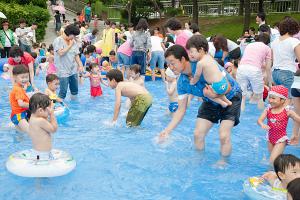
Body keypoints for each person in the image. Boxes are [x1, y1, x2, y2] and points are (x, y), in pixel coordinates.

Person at [159, 43, 242, 164]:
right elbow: (181, 110)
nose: (170, 67)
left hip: (231, 96)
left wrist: (214, 95)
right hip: (209, 101)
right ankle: (199, 160)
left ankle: (224, 162)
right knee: (198, 134)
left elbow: (228, 87)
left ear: (182, 59)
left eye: (172, 63)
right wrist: (167, 131)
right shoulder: (182, 82)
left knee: (223, 135)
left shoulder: (203, 65)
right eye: (168, 64)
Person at [257, 85, 300, 164]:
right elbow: (259, 120)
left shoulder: (287, 111)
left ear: (282, 100)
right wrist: (261, 124)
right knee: (273, 159)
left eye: (273, 98)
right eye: (269, 97)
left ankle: (271, 173)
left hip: (281, 139)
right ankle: (279, 170)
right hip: (270, 138)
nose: (270, 100)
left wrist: (296, 134)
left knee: (272, 160)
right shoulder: (268, 109)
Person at [189, 35, 232, 108]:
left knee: (205, 92)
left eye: (192, 52)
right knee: (217, 90)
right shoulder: (209, 56)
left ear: (201, 50)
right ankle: (227, 101)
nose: (190, 54)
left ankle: (222, 103)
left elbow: (197, 76)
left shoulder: (200, 63)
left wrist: (193, 82)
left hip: (217, 86)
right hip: (224, 83)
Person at [236, 33, 272, 111]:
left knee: (242, 95)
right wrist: (269, 84)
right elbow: (268, 68)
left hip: (241, 68)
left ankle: (241, 113)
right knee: (260, 96)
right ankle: (260, 114)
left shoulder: (250, 45)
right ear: (267, 41)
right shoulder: (267, 48)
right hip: (254, 70)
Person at [271, 17, 300, 99]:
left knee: (280, 99)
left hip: (275, 73)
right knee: (288, 101)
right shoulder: (294, 41)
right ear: (294, 28)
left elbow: (273, 59)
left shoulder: (274, 41)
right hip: (287, 72)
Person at [53, 24, 83, 100]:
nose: (75, 37)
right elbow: (60, 53)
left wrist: (80, 66)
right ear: (70, 34)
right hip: (62, 70)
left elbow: (76, 55)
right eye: (74, 35)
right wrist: (70, 45)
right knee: (63, 91)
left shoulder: (73, 41)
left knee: (75, 90)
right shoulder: (58, 40)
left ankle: (74, 107)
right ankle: (60, 107)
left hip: (73, 70)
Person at [28, 93, 58, 160]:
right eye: (48, 110)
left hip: (37, 153)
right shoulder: (40, 121)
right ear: (41, 110)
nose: (49, 111)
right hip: (43, 155)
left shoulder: (32, 119)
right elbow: (54, 129)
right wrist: (52, 114)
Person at [9, 65, 30, 133]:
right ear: (15, 77)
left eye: (26, 77)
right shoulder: (18, 89)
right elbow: (21, 104)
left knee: (21, 135)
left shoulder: (18, 87)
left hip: (17, 115)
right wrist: (33, 105)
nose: (25, 79)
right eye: (22, 77)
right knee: (31, 132)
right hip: (19, 115)